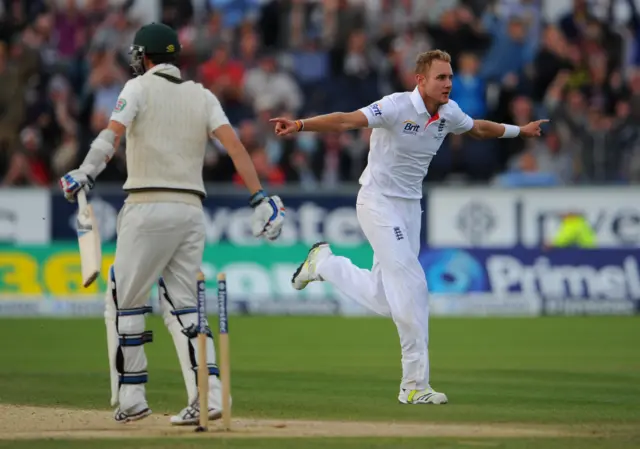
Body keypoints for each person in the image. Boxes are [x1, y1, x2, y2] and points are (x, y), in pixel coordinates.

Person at [270, 50, 547, 405]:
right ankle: (414, 384)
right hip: (377, 201)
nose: (448, 83)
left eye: (450, 77)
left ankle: (323, 264)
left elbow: (477, 128)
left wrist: (519, 131)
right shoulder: (396, 106)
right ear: (421, 80)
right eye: (441, 78)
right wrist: (301, 125)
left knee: (386, 298)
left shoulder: (449, 113)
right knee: (413, 285)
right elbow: (345, 121)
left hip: (409, 209)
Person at [59, 23, 286, 424]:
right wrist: (259, 198)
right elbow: (235, 146)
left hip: (147, 206)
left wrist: (85, 172)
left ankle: (131, 398)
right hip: (190, 212)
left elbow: (111, 137)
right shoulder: (202, 95)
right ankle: (212, 397)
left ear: (144, 57)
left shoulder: (137, 88)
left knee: (123, 300)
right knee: (185, 308)